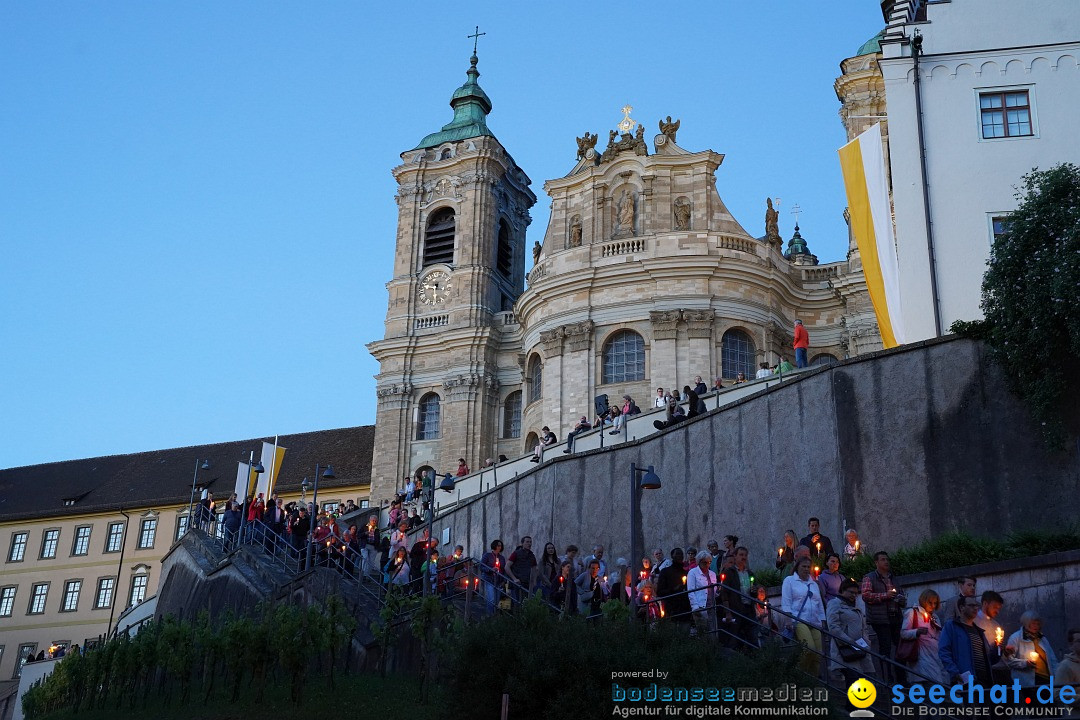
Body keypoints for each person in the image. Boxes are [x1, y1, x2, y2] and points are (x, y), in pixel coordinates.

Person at [861, 551, 907, 682]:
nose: (886, 562)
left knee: (900, 648)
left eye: (887, 559)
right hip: (880, 619)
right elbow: (866, 595)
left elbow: (902, 595)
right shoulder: (869, 578)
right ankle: (887, 679)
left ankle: (902, 678)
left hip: (896, 617)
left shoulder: (894, 578)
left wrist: (901, 600)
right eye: (882, 559)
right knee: (885, 648)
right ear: (876, 562)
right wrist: (885, 595)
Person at [939, 595, 999, 688]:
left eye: (976, 606)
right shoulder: (951, 626)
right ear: (962, 608)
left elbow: (990, 658)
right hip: (965, 681)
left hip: (984, 681)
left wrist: (998, 648)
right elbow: (944, 651)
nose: (975, 608)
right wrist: (954, 672)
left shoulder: (979, 631)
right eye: (971, 605)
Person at [782, 556, 826, 676]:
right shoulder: (789, 581)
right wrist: (788, 619)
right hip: (799, 619)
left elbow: (819, 603)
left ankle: (813, 679)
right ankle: (799, 674)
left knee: (818, 653)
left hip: (815, 621)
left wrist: (823, 620)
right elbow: (786, 602)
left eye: (808, 567)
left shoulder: (813, 583)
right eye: (804, 566)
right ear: (797, 567)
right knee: (809, 649)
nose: (806, 569)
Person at [826, 579, 876, 684]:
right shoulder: (834, 603)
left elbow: (864, 627)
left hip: (861, 649)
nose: (854, 595)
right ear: (842, 590)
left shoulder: (856, 606)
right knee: (853, 683)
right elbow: (833, 626)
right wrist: (849, 641)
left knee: (864, 684)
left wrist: (866, 642)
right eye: (851, 592)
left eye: (856, 593)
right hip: (845, 650)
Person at [899, 589, 947, 685]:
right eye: (930, 603)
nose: (933, 606)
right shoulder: (912, 613)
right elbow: (903, 633)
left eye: (935, 603)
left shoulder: (935, 617)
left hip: (937, 655)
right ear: (923, 600)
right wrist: (917, 632)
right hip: (922, 656)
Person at [1005, 610, 1059, 687]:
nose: (1036, 626)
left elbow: (1052, 660)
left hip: (1047, 680)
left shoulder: (1042, 639)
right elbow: (1009, 661)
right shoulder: (1016, 638)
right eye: (1033, 623)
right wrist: (1025, 663)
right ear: (1026, 623)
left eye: (1038, 624)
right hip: (1027, 682)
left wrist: (1057, 678)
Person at [657, 548, 691, 626]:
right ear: (672, 556)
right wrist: (673, 589)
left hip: (685, 609)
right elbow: (659, 592)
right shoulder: (665, 572)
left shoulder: (686, 573)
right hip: (671, 609)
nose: (680, 556)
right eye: (677, 554)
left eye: (681, 554)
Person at [687, 552, 718, 637]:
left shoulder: (712, 574)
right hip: (700, 606)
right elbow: (691, 590)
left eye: (709, 562)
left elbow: (714, 591)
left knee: (713, 630)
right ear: (699, 562)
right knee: (703, 631)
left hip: (711, 606)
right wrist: (695, 607)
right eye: (705, 562)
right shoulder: (693, 573)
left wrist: (717, 592)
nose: (707, 565)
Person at [480, 540, 508, 614]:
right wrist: (490, 570)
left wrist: (504, 580)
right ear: (494, 546)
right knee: (491, 598)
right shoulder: (487, 555)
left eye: (500, 546)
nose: (499, 547)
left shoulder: (502, 558)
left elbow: (504, 569)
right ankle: (490, 616)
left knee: (497, 600)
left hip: (499, 581)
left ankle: (495, 616)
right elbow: (481, 566)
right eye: (498, 545)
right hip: (490, 579)